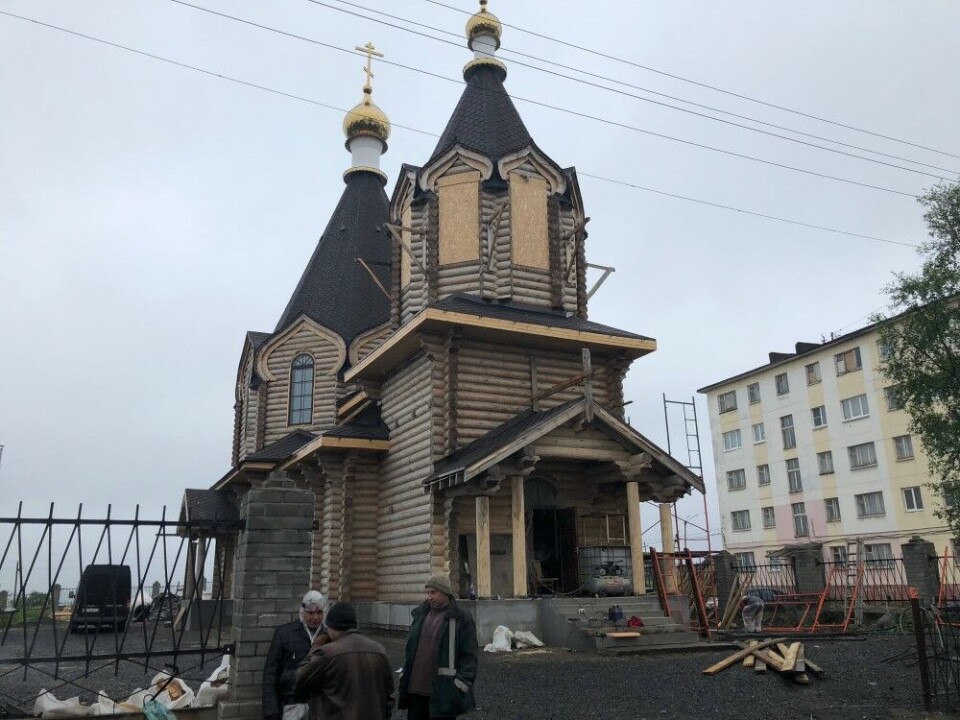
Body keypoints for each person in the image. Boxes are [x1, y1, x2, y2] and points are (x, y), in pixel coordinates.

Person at [295, 602, 395, 720]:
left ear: (332, 627)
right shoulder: (379, 650)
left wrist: (316, 646)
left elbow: (300, 679)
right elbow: (389, 696)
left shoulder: (326, 653)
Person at [398, 575, 479, 720]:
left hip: (444, 693)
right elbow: (410, 650)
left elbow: (470, 655)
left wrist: (460, 685)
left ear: (445, 592)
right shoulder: (420, 615)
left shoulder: (460, 618)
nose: (429, 597)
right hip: (415, 692)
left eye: (433, 592)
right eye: (427, 593)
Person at [263, 590, 327, 720]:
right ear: (303, 612)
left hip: (320, 704)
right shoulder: (285, 633)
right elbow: (271, 673)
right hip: (291, 703)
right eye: (311, 612)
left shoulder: (328, 636)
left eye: (319, 612)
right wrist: (270, 709)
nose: (315, 617)